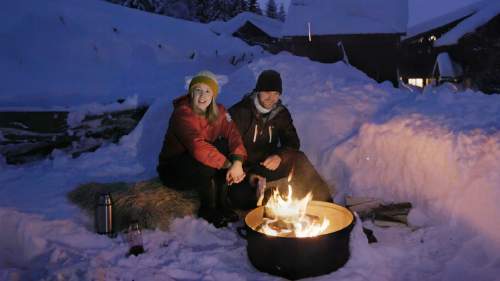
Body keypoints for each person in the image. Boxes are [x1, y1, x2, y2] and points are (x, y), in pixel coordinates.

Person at [228, 69, 334, 209]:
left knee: (299, 158)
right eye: (266, 92)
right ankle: (267, 198)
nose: (271, 98)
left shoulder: (280, 113)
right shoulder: (240, 112)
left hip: (268, 164)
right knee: (241, 200)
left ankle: (328, 204)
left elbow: (293, 142)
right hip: (243, 170)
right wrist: (246, 172)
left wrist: (279, 156)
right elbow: (230, 144)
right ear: (258, 91)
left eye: (275, 94)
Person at [157, 71, 247, 228]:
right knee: (208, 161)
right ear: (191, 93)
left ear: (213, 95)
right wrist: (228, 165)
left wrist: (237, 162)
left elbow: (234, 136)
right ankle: (208, 208)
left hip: (199, 161)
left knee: (225, 146)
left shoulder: (220, 111)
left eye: (207, 91)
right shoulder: (182, 114)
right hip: (174, 169)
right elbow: (198, 147)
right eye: (198, 90)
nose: (202, 95)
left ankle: (222, 204)